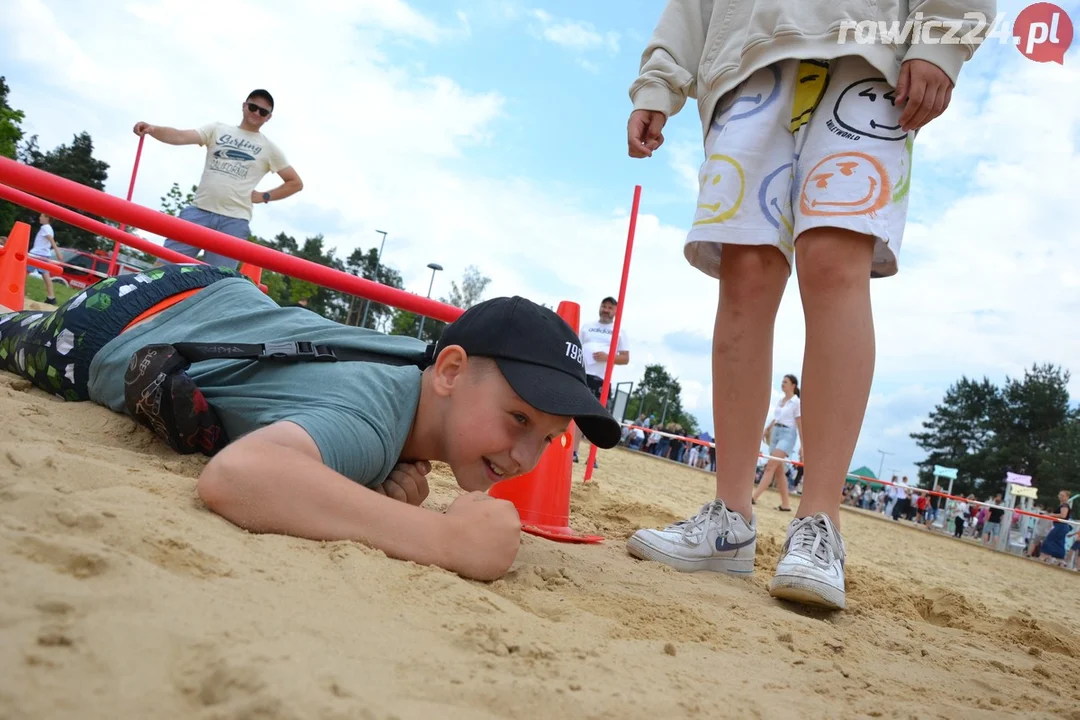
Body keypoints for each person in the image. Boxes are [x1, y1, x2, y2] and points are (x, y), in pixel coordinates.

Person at [623, 0, 993, 610]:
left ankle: (819, 522)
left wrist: (942, 39)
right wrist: (662, 76)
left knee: (834, 261)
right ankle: (729, 518)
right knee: (743, 268)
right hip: (744, 56)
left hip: (866, 53)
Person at [0, 265, 621, 581]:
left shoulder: (415, 370)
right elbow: (239, 476)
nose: (524, 457)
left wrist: (363, 483)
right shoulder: (373, 422)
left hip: (215, 294)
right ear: (452, 372)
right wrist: (445, 542)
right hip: (110, 332)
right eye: (518, 418)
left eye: (548, 437)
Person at [133, 90, 303, 270]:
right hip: (199, 211)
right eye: (253, 107)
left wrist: (264, 196)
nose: (256, 113)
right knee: (162, 270)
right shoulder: (217, 129)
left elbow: (295, 183)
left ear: (268, 117)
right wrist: (152, 129)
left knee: (217, 282)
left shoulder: (269, 148)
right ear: (244, 106)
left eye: (263, 112)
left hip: (234, 221)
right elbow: (180, 136)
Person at [573, 296, 629, 465]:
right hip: (583, 374)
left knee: (598, 418)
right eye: (604, 306)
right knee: (576, 416)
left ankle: (592, 457)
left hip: (602, 379)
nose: (606, 309)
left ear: (615, 311)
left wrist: (607, 357)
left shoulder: (619, 331)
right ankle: (573, 452)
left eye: (610, 307)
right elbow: (576, 345)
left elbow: (625, 358)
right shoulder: (587, 327)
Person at [752, 374, 801, 511]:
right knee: (778, 472)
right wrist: (767, 429)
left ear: (793, 385)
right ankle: (785, 504)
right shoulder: (781, 401)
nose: (783, 383)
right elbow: (777, 418)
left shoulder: (796, 402)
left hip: (788, 434)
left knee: (770, 466)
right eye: (782, 381)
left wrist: (802, 446)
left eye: (785, 382)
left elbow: (799, 423)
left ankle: (754, 497)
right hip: (775, 433)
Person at [28, 213, 62, 305]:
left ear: (47, 218)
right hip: (44, 255)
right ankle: (51, 297)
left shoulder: (45, 227)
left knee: (21, 269)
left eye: (41, 216)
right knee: (46, 276)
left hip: (37, 254)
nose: (39, 217)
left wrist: (57, 252)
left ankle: (14, 288)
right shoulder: (49, 228)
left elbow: (51, 240)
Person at [1038, 491, 1074, 566]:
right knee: (1059, 542)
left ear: (1067, 497)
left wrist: (1052, 515)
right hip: (1061, 526)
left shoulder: (1064, 505)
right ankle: (1060, 560)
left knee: (1049, 539)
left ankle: (1044, 556)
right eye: (1060, 495)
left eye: (1062, 495)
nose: (1060, 496)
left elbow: (1063, 515)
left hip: (1060, 526)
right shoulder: (1063, 505)